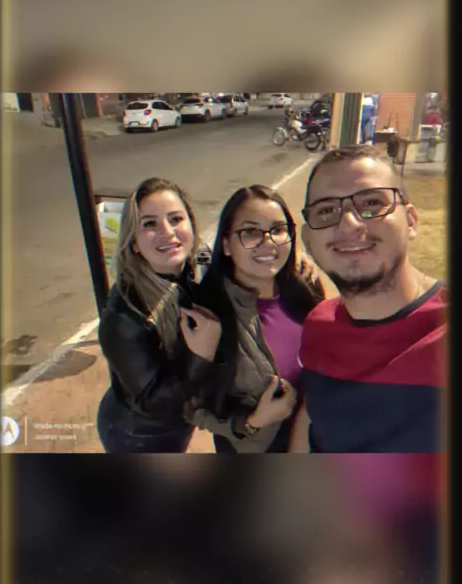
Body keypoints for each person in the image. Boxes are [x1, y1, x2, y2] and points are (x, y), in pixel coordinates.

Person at [291, 145, 447, 453]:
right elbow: (312, 416)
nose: (349, 224)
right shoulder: (318, 325)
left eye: (372, 203)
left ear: (411, 221)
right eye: (326, 211)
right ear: (308, 240)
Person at [190, 185, 325, 452]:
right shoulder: (208, 315)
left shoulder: (307, 288)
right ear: (226, 245)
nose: (268, 242)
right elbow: (192, 406)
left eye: (278, 230)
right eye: (251, 232)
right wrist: (252, 422)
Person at [97, 177, 222, 453]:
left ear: (191, 225)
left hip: (180, 422)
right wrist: (201, 355)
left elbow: (219, 268)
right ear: (134, 241)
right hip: (141, 434)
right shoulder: (124, 315)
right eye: (150, 224)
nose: (167, 232)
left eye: (175, 219)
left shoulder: (198, 258)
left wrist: (287, 268)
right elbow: (153, 401)